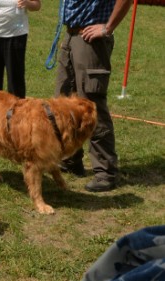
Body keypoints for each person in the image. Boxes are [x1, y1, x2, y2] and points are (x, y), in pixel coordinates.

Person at [55, 0, 133, 192]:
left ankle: (106, 171)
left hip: (91, 40)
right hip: (72, 34)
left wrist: (107, 28)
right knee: (65, 101)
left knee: (91, 105)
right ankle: (70, 158)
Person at [0, 0, 41, 99]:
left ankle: (17, 111)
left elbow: (37, 5)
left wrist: (27, 3)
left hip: (16, 36)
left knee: (16, 80)